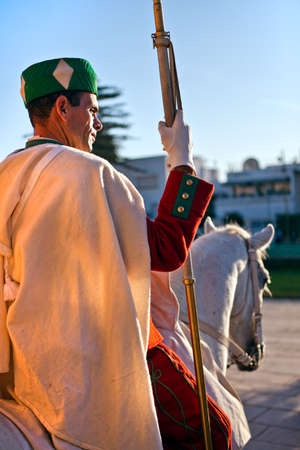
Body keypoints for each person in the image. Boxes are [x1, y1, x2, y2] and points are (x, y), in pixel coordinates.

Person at [0, 57, 231, 449]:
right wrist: (182, 161)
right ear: (61, 108)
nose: (98, 123)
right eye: (92, 109)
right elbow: (166, 249)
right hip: (86, 363)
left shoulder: (6, 174)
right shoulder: (92, 174)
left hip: (24, 363)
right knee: (212, 429)